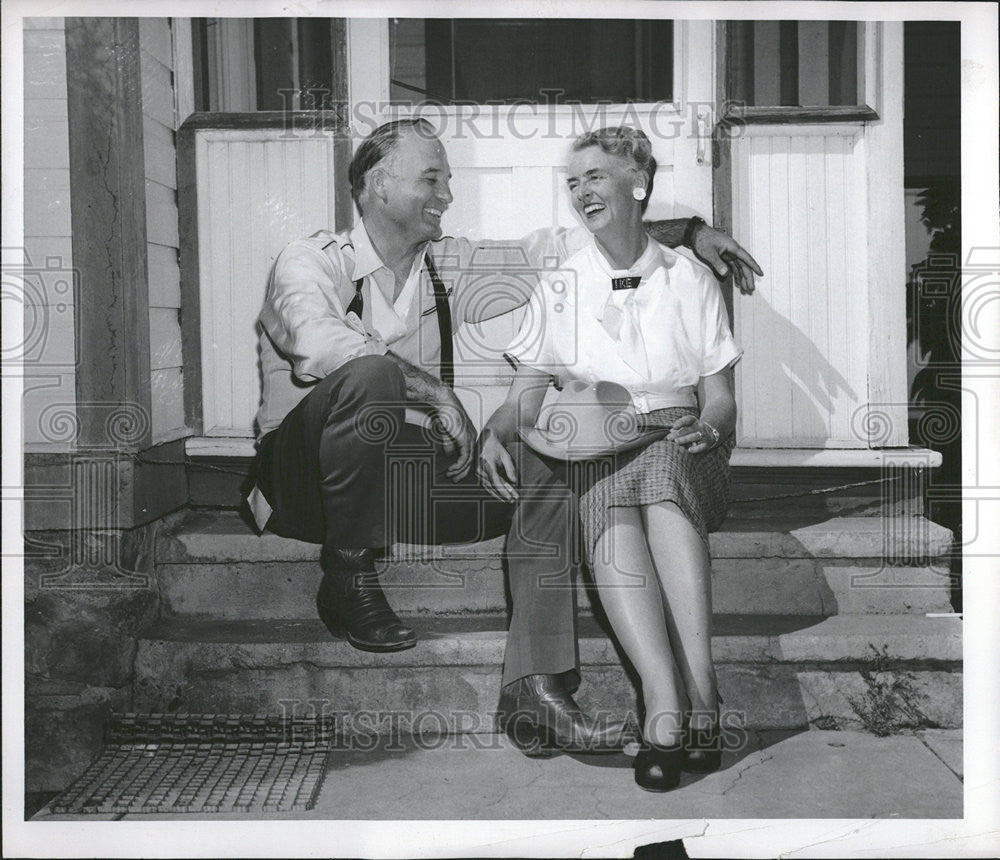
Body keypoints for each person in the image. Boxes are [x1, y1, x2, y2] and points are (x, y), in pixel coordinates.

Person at [244, 118, 760, 756]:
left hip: (403, 486)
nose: (448, 195)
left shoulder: (449, 264)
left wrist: (689, 233)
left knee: (547, 444)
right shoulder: (311, 261)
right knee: (373, 374)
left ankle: (533, 687)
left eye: (449, 181)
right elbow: (318, 345)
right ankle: (347, 573)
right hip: (303, 486)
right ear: (378, 187)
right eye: (432, 178)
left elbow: (568, 244)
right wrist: (434, 393)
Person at [480, 126, 741, 789]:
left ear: (638, 184)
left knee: (658, 475)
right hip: (603, 438)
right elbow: (528, 394)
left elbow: (719, 398)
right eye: (573, 182)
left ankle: (699, 691)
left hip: (685, 435)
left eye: (596, 175)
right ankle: (669, 702)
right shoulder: (560, 282)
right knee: (606, 494)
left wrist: (710, 429)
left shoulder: (690, 279)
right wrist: (495, 432)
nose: (581, 190)